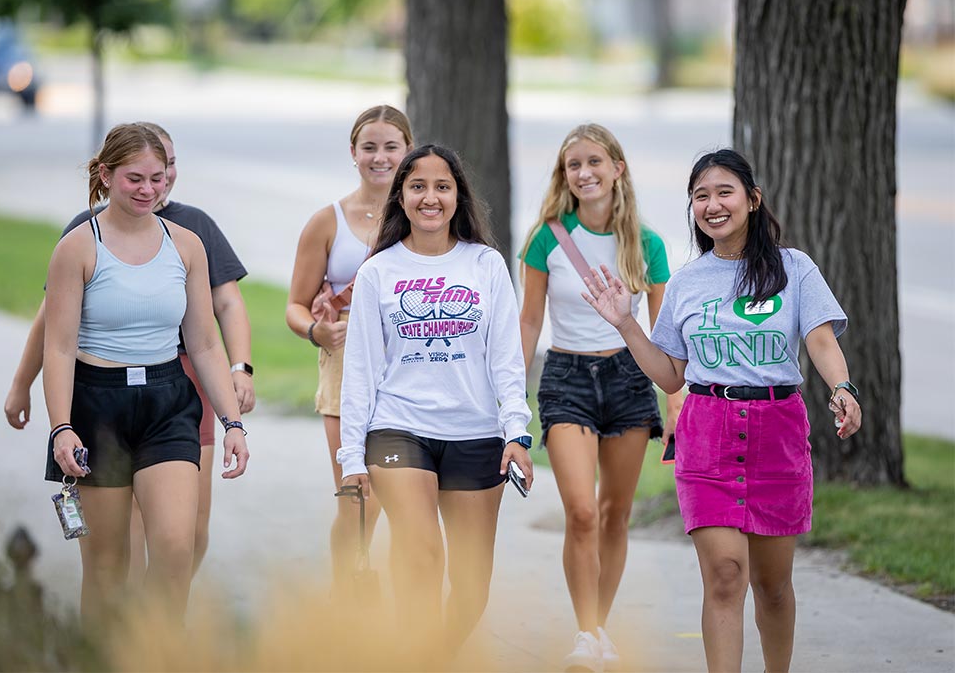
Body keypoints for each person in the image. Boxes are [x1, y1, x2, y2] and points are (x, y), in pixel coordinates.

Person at [582, 149, 861, 673]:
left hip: (777, 433)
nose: (712, 205)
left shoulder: (794, 268)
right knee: (726, 574)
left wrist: (843, 388)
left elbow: (821, 341)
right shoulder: (688, 282)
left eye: (723, 192)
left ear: (752, 200)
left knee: (773, 586)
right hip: (707, 433)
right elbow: (670, 375)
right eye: (700, 196)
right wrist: (626, 325)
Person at [5, 122, 253, 585]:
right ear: (105, 174)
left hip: (168, 403)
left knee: (178, 547)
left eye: (157, 178)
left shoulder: (187, 245)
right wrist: (60, 427)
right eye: (134, 178)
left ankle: (160, 651)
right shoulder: (77, 247)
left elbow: (203, 342)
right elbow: (58, 347)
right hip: (98, 406)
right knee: (107, 568)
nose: (148, 189)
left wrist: (232, 422)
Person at [338, 144, 534, 663]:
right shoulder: (379, 271)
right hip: (398, 427)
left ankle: (430, 658)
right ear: (400, 196)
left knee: (471, 588)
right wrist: (351, 457)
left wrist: (517, 432)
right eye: (418, 186)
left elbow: (507, 361)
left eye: (442, 186)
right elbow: (360, 370)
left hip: (476, 432)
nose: (430, 197)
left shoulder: (485, 264)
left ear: (458, 195)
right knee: (423, 555)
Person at [518, 123, 681, 672]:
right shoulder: (547, 238)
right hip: (565, 379)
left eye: (594, 162)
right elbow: (529, 320)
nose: (584, 173)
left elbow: (666, 337)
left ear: (618, 168)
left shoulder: (648, 244)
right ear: (564, 177)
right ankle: (587, 632)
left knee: (615, 513)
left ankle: (599, 629)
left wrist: (676, 402)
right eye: (573, 165)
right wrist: (511, 396)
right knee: (582, 511)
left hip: (630, 381)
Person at [285, 105, 413, 597]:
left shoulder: (423, 213)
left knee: (405, 496)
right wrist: (317, 331)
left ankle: (409, 603)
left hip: (408, 364)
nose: (380, 157)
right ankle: (351, 591)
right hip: (343, 366)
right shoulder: (327, 221)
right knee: (358, 496)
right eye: (369, 147)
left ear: (407, 150)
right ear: (353, 154)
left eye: (391, 147)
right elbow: (296, 306)